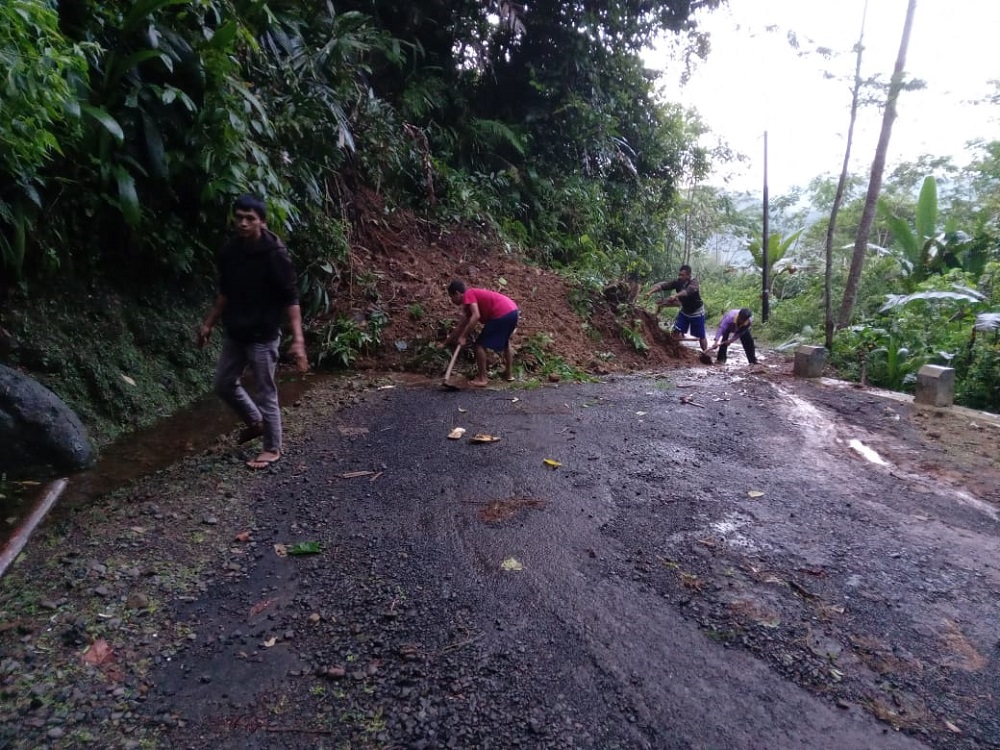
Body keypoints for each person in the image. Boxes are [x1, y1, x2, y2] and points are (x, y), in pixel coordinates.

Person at [197, 194, 308, 469]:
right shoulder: (230, 252)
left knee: (265, 391)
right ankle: (255, 421)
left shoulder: (275, 256)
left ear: (262, 222)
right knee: (223, 383)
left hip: (264, 333)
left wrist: (299, 340)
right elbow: (225, 293)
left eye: (250, 218)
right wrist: (208, 323)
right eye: (239, 217)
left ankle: (272, 448)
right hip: (236, 331)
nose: (243, 223)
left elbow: (291, 298)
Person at [444, 279, 519, 386]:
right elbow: (461, 326)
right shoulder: (469, 304)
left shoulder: (469, 294)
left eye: (451, 297)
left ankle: (482, 378)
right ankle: (509, 374)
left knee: (479, 345)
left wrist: (464, 337)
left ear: (457, 293)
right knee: (505, 343)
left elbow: (476, 316)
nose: (451, 300)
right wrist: (446, 343)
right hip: (513, 311)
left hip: (501, 313)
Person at [646, 265, 708, 354]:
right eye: (679, 275)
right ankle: (675, 352)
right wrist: (650, 292)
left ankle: (705, 353)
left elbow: (687, 291)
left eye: (682, 275)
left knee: (701, 336)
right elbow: (663, 286)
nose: (680, 277)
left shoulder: (694, 283)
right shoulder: (678, 282)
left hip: (697, 313)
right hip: (684, 312)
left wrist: (676, 295)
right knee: (676, 332)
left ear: (688, 276)